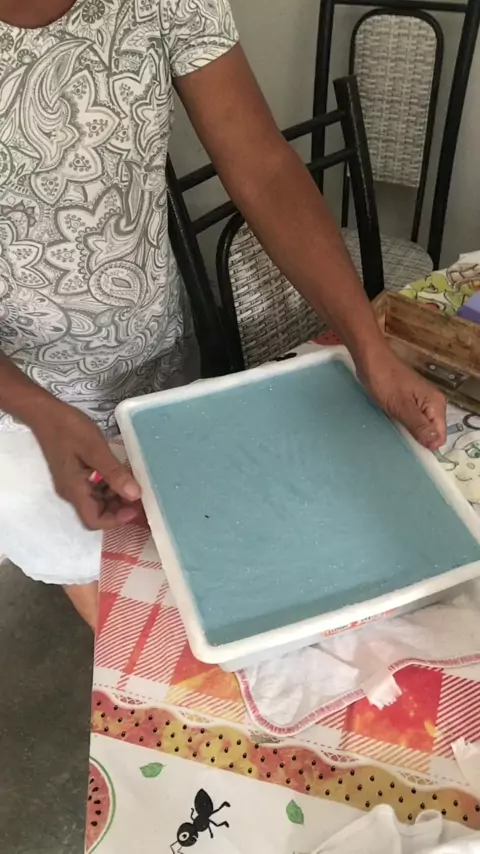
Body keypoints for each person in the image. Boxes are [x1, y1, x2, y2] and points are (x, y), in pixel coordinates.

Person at [0, 0, 446, 631]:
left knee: (206, 578)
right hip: (18, 413)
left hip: (158, 371)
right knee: (127, 610)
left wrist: (368, 347)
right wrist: (38, 411)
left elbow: (261, 167)